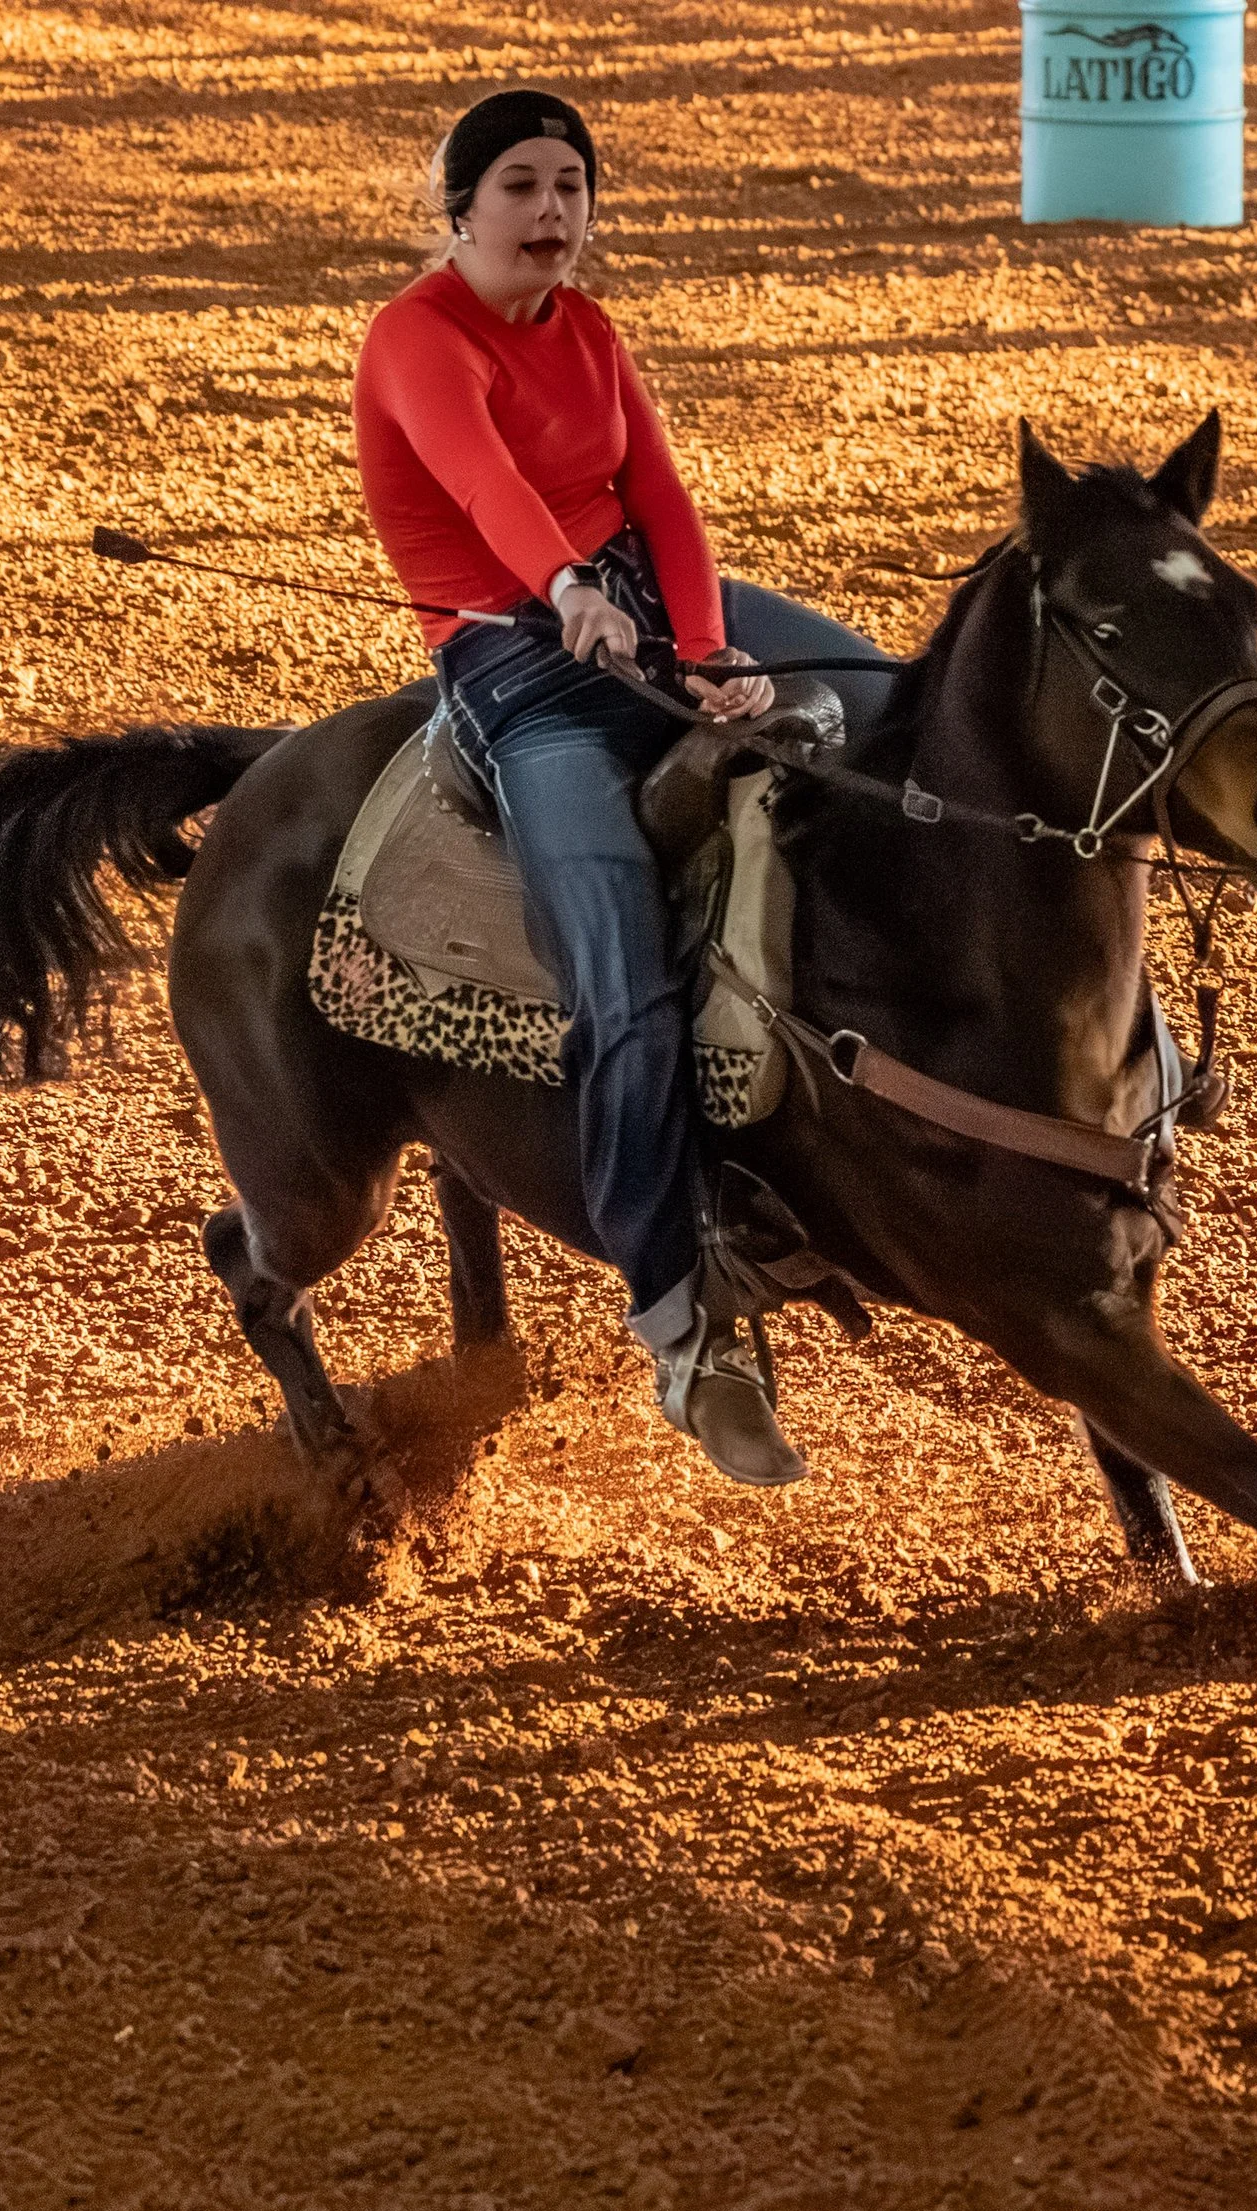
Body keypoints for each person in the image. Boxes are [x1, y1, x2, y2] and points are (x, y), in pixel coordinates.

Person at [352, 89, 885, 1486]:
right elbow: (482, 487)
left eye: (572, 187)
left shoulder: (590, 332)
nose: (552, 212)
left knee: (871, 724)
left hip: (641, 616)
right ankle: (680, 1316)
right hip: (521, 673)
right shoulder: (414, 338)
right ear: (460, 207)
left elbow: (667, 501)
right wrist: (569, 590)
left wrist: (705, 648)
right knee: (622, 976)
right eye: (521, 186)